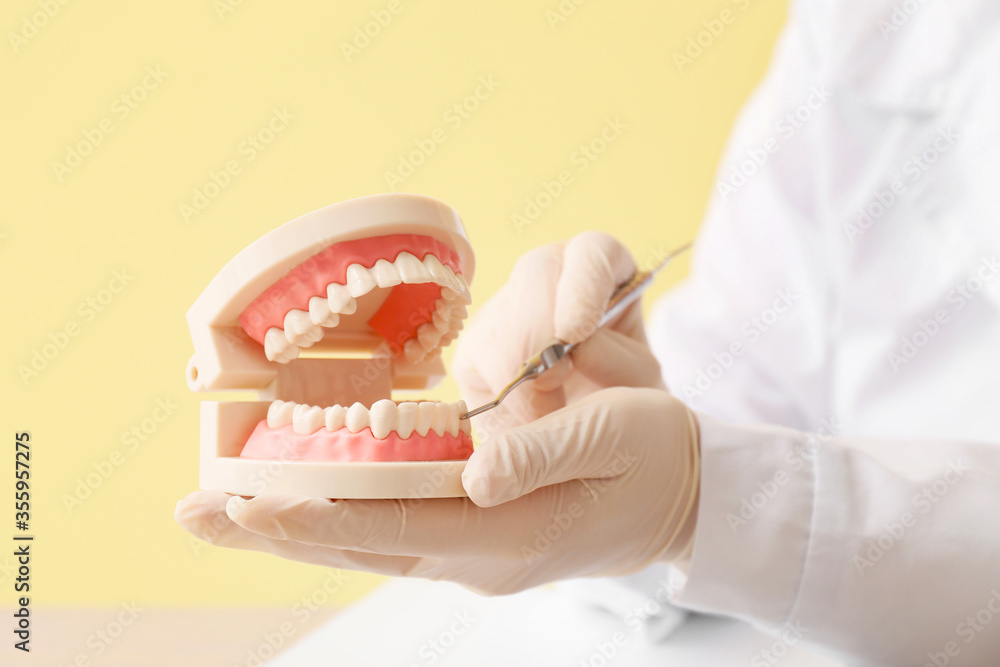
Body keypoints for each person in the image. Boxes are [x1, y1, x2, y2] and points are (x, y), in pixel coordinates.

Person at [176, 0, 1000, 663]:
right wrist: (602, 422)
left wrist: (701, 501)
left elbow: (721, 489)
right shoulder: (877, 21)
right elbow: (756, 371)